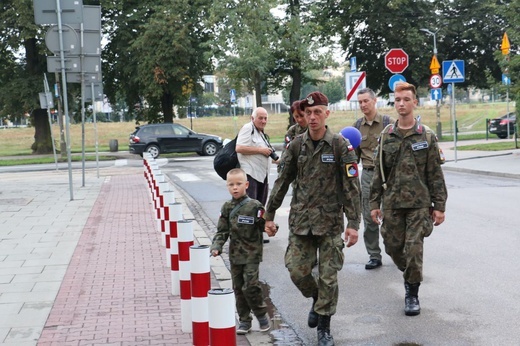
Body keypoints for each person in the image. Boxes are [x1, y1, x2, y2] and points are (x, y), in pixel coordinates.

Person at [264, 91, 361, 346]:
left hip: (330, 224)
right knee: (297, 271)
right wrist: (269, 215)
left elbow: (352, 188)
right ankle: (319, 301)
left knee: (329, 276)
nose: (313, 116)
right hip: (301, 223)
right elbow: (282, 182)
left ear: (327, 113)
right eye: (308, 113)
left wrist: (353, 224)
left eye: (318, 111)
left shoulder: (340, 145)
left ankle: (324, 329)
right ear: (303, 116)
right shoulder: (296, 145)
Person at [369, 82, 448, 317]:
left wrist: (440, 205)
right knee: (393, 248)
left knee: (414, 249)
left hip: (419, 204)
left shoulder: (427, 135)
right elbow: (378, 171)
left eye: (406, 99)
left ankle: (412, 293)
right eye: (397, 100)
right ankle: (410, 274)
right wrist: (374, 204)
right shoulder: (387, 136)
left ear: (415, 102)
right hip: (392, 203)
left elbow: (435, 173)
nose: (401, 104)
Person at [210, 168, 270, 335]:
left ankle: (261, 313)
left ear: (246, 185)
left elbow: (266, 224)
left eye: (238, 184)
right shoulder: (227, 207)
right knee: (238, 289)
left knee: (250, 286)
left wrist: (271, 228)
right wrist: (216, 247)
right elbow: (222, 231)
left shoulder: (255, 206)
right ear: (227, 186)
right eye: (231, 184)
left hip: (252, 255)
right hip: (235, 256)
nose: (235, 188)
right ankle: (244, 320)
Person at [353, 88, 395, 270]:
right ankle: (374, 255)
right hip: (368, 174)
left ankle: (396, 251)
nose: (363, 105)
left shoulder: (388, 123)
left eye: (365, 101)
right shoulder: (356, 127)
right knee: (369, 217)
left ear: (374, 101)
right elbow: (352, 158)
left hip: (387, 175)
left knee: (392, 216)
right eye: (360, 102)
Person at [235, 107, 275, 206]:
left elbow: (264, 154)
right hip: (251, 175)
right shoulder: (248, 127)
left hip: (262, 176)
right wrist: (261, 150)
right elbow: (239, 148)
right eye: (260, 118)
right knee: (250, 209)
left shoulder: (261, 132)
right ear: (252, 118)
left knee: (259, 209)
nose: (263, 121)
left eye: (265, 118)